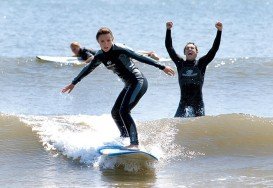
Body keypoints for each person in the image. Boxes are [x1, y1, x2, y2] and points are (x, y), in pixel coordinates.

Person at [62, 27, 175, 149]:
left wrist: (162, 66)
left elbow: (139, 57)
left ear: (112, 39)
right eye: (102, 41)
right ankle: (125, 137)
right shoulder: (100, 55)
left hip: (138, 82)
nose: (106, 44)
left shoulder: (120, 49)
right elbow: (88, 68)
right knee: (115, 113)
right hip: (128, 85)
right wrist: (74, 82)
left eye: (108, 40)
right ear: (98, 43)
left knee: (124, 111)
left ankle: (134, 143)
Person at [165, 21, 222, 117]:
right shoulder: (180, 63)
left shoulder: (201, 64)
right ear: (184, 52)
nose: (189, 49)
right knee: (176, 126)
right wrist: (168, 30)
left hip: (198, 104)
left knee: (199, 128)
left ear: (196, 52)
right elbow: (169, 47)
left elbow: (214, 49)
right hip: (183, 103)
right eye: (187, 48)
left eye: (192, 48)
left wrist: (219, 31)